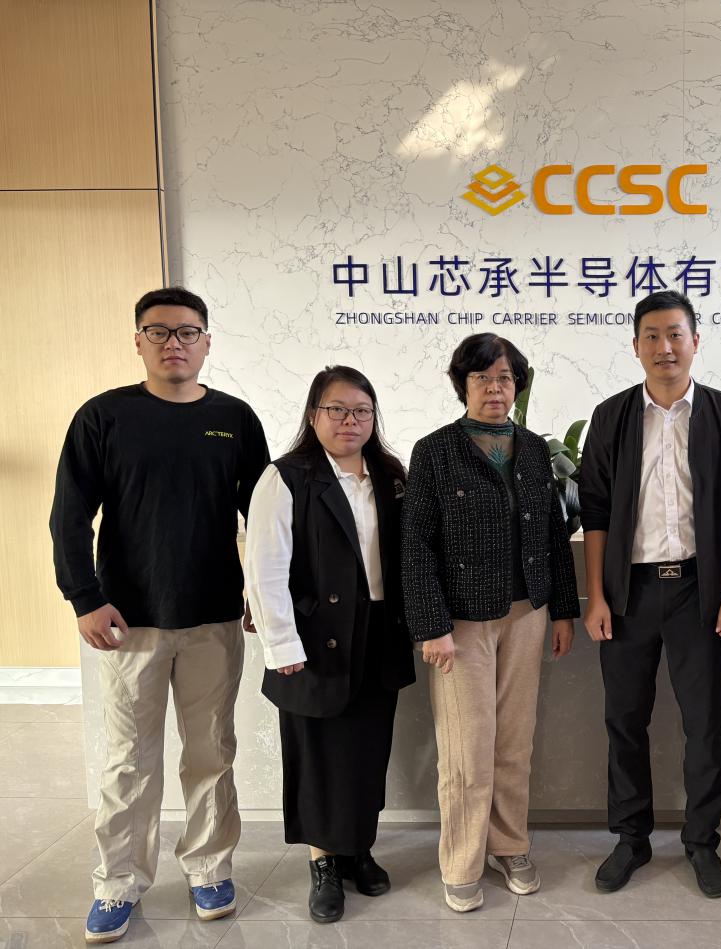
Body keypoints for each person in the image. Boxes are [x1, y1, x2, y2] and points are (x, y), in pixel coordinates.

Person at [50, 287, 269, 944]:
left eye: (187, 331)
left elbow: (265, 519)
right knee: (129, 761)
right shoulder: (104, 416)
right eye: (160, 331)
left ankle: (209, 868)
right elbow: (69, 515)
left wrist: (264, 594)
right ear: (138, 341)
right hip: (129, 622)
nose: (175, 343)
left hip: (213, 618)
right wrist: (85, 597)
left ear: (207, 342)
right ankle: (117, 882)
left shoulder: (234, 418)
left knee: (212, 753)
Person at [579, 290, 721, 898]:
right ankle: (631, 838)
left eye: (675, 334)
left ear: (695, 341)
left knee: (703, 724)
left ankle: (701, 841)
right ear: (636, 346)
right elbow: (596, 511)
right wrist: (596, 596)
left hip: (699, 591)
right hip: (627, 594)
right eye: (652, 336)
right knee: (624, 721)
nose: (665, 347)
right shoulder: (611, 417)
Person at [400, 333, 579, 913]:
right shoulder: (435, 450)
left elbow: (553, 534)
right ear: (464, 385)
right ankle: (461, 860)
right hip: (461, 623)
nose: (494, 388)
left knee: (513, 742)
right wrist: (430, 625)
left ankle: (510, 845)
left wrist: (563, 610)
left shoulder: (533, 450)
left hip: (528, 614)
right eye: (482, 377)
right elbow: (415, 545)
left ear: (516, 385)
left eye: (504, 378)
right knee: (467, 747)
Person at [243, 365, 414, 923]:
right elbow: (265, 568)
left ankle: (358, 848)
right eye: (336, 410)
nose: (349, 421)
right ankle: (323, 863)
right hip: (314, 637)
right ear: (314, 415)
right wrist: (282, 646)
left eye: (361, 411)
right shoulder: (286, 477)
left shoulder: (389, 474)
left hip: (379, 632)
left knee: (367, 750)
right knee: (318, 754)